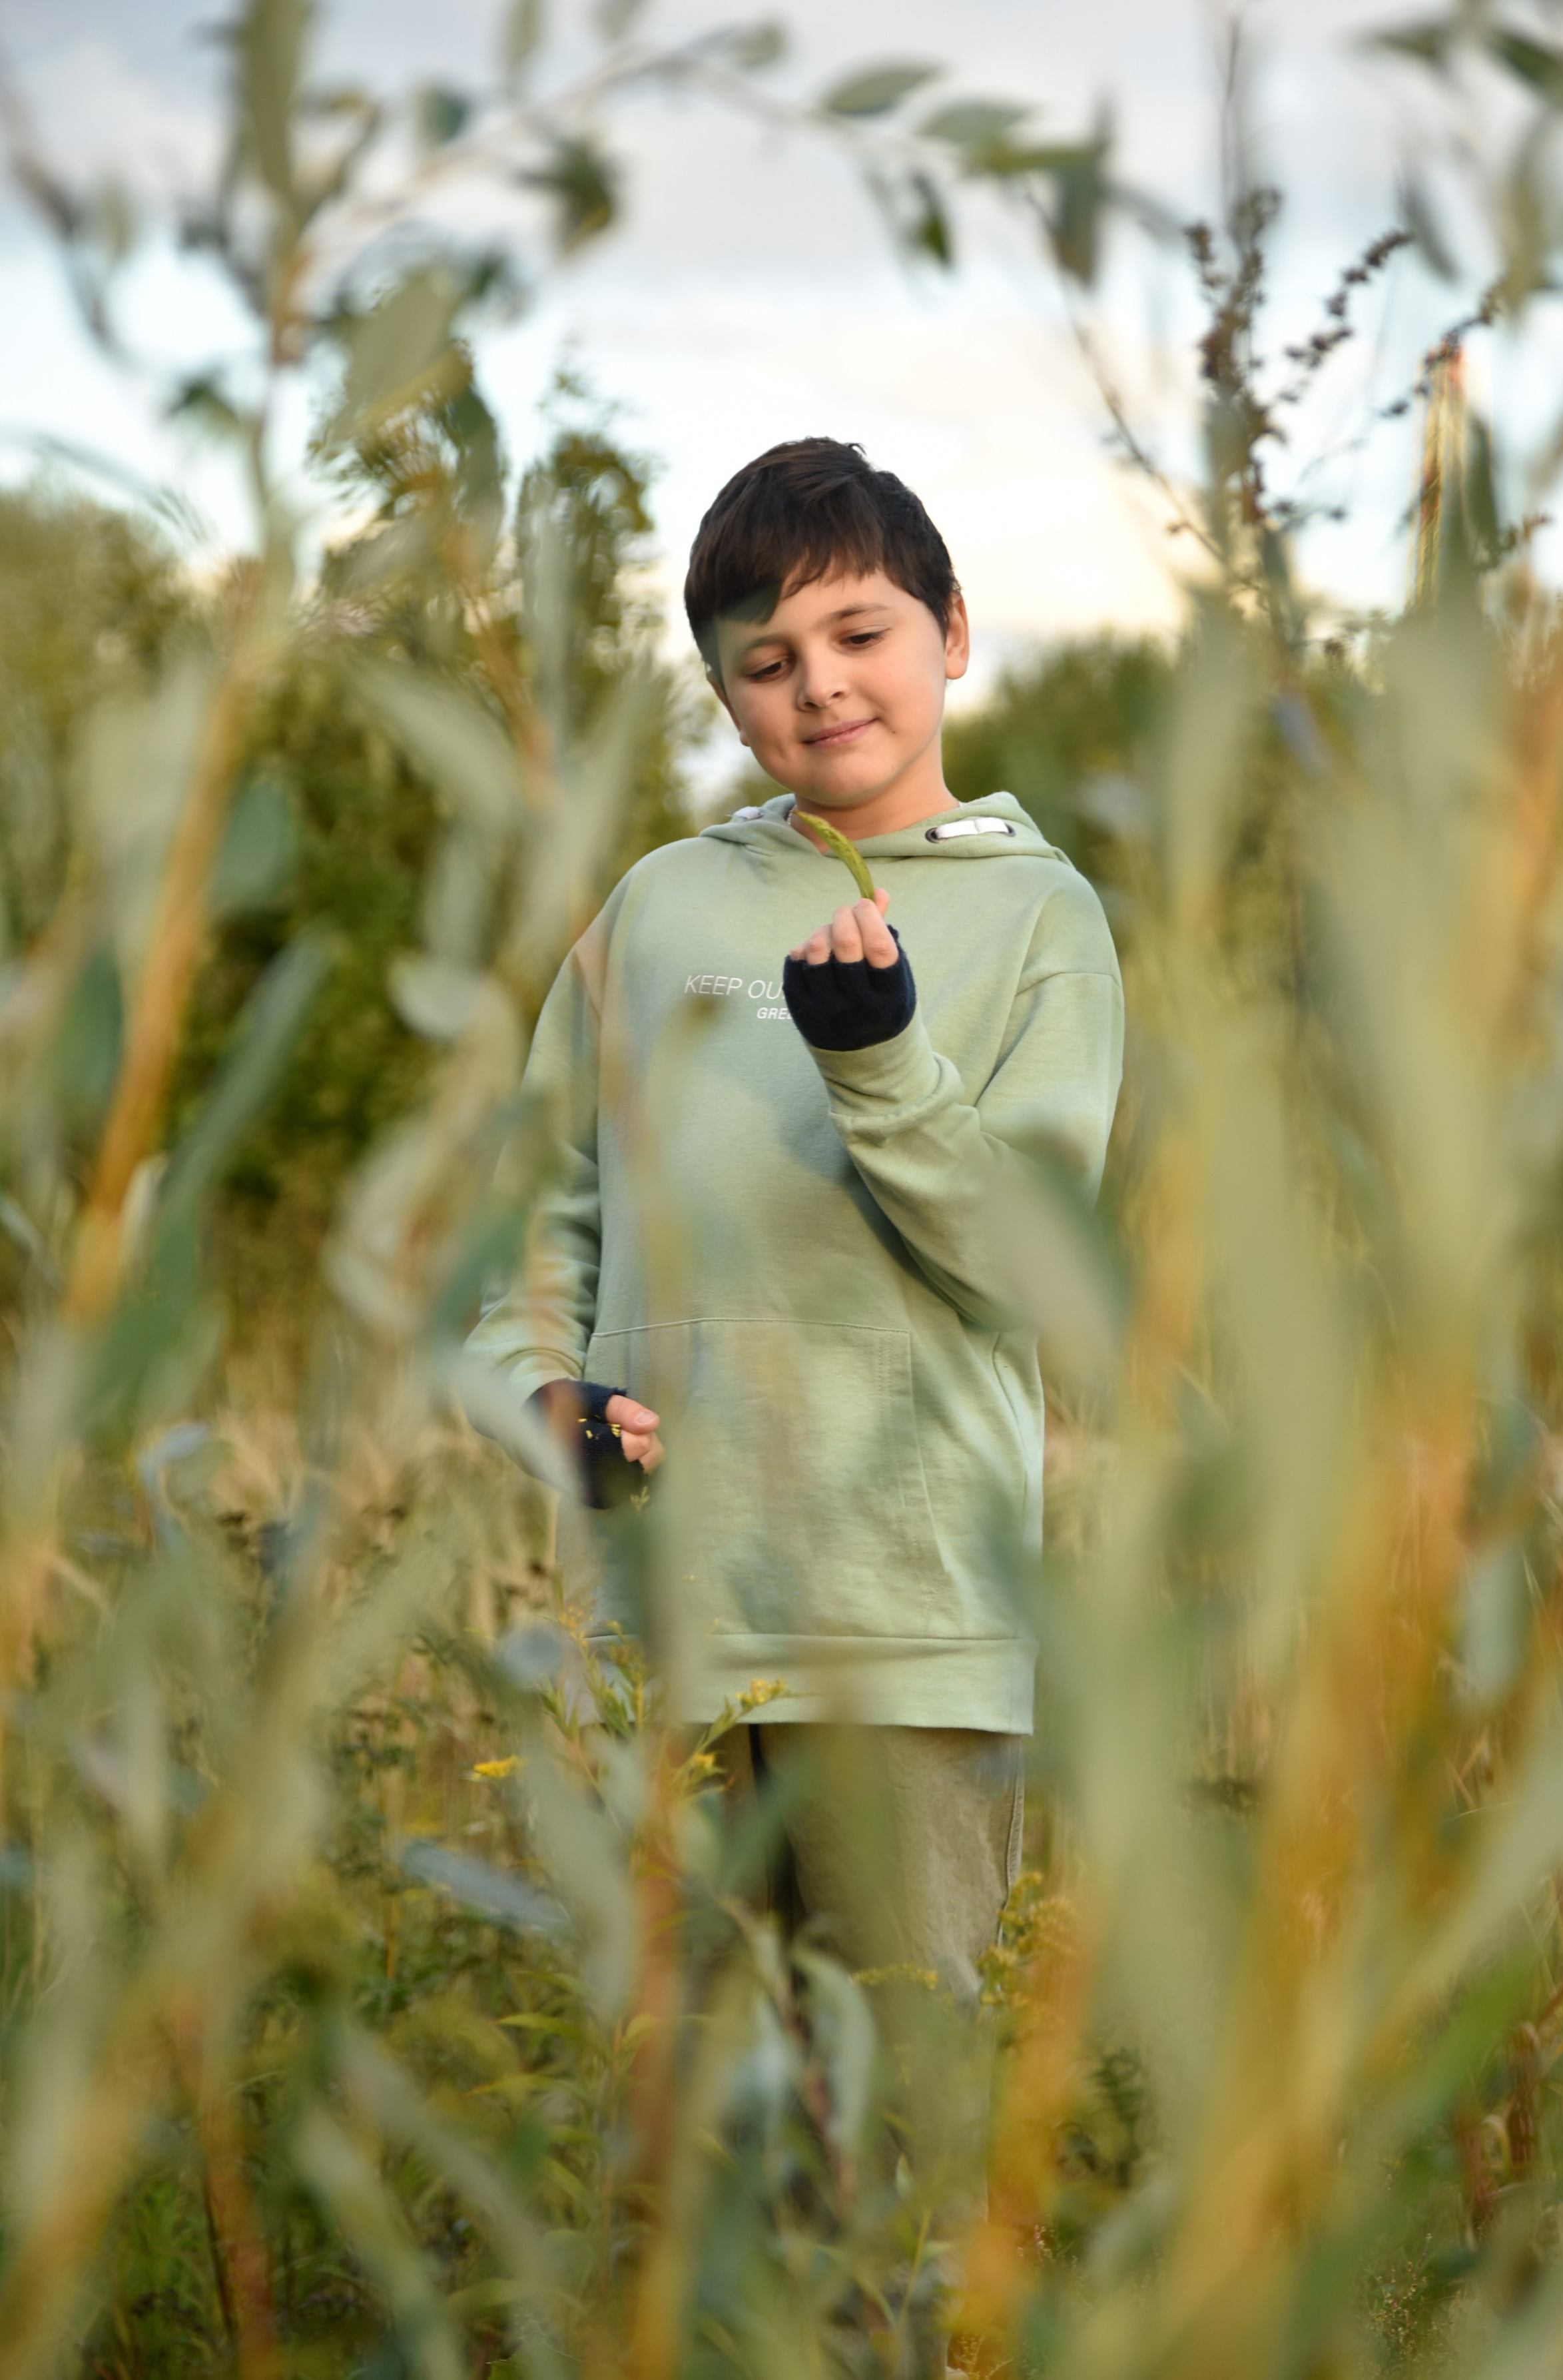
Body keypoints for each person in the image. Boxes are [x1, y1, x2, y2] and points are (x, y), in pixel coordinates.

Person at [467, 436, 1122, 2040]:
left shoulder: (1042, 917)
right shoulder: (656, 908)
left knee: (896, 2121)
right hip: (662, 1624)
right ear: (723, 695)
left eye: (858, 634)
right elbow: (532, 1223)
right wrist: (538, 1399)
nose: (817, 686)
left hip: (906, 1629)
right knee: (673, 2133)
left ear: (950, 632)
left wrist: (879, 1054)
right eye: (763, 662)